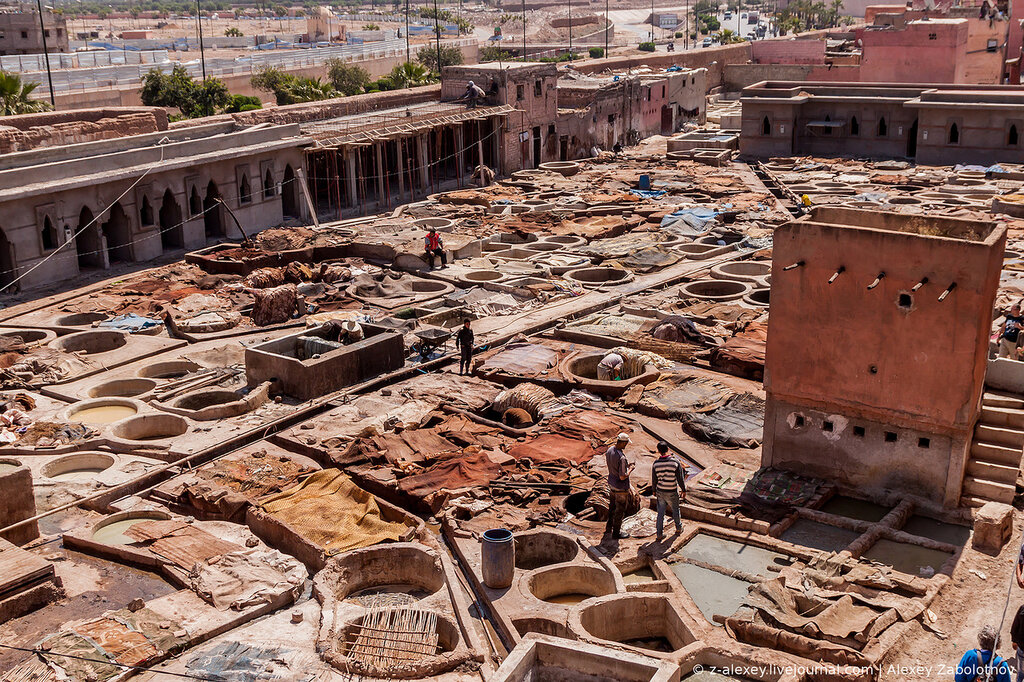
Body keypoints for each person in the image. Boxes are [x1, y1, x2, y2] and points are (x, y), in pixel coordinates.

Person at [651, 441, 685, 542]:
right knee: (675, 510)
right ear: (668, 449)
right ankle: (678, 528)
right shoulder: (675, 462)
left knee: (660, 513)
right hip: (672, 491)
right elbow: (680, 478)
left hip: (660, 491)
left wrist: (653, 490)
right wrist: (683, 490)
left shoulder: (656, 464)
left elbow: (654, 479)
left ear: (658, 451)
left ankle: (659, 534)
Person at [604, 432, 634, 541]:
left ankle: (608, 527)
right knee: (620, 510)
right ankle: (616, 533)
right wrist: (630, 469)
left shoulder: (610, 450)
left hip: (611, 483)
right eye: (626, 443)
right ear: (623, 443)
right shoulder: (622, 458)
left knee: (612, 506)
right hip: (620, 488)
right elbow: (622, 476)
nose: (626, 445)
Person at [1012, 603, 1024, 682]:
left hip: (1022, 647)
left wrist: (1014, 641)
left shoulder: (1023, 608)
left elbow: (1015, 627)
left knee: (1020, 672)